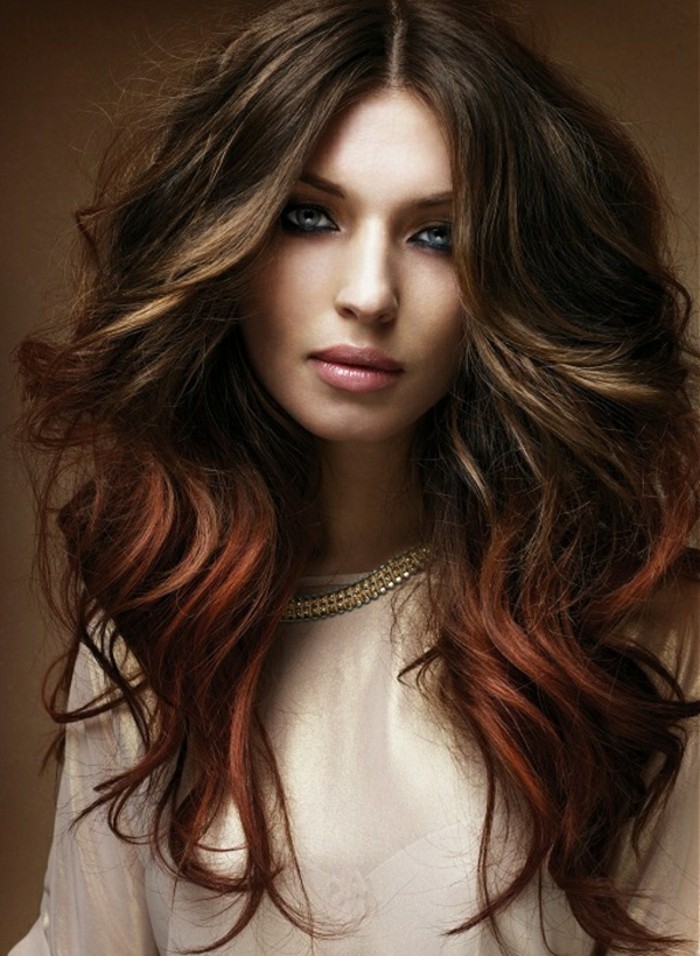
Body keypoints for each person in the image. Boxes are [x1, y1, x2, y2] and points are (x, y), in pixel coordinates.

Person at [10, 0, 699, 953]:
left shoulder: (639, 637)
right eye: (309, 216)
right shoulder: (154, 618)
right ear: (231, 242)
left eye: (438, 235)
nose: (368, 292)